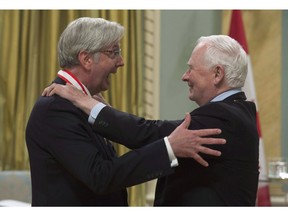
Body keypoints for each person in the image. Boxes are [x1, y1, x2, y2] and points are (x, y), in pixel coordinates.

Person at [25, 17, 226, 206]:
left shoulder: (85, 104)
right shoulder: (55, 108)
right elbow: (100, 176)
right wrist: (169, 148)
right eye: (113, 52)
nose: (120, 61)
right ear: (86, 59)